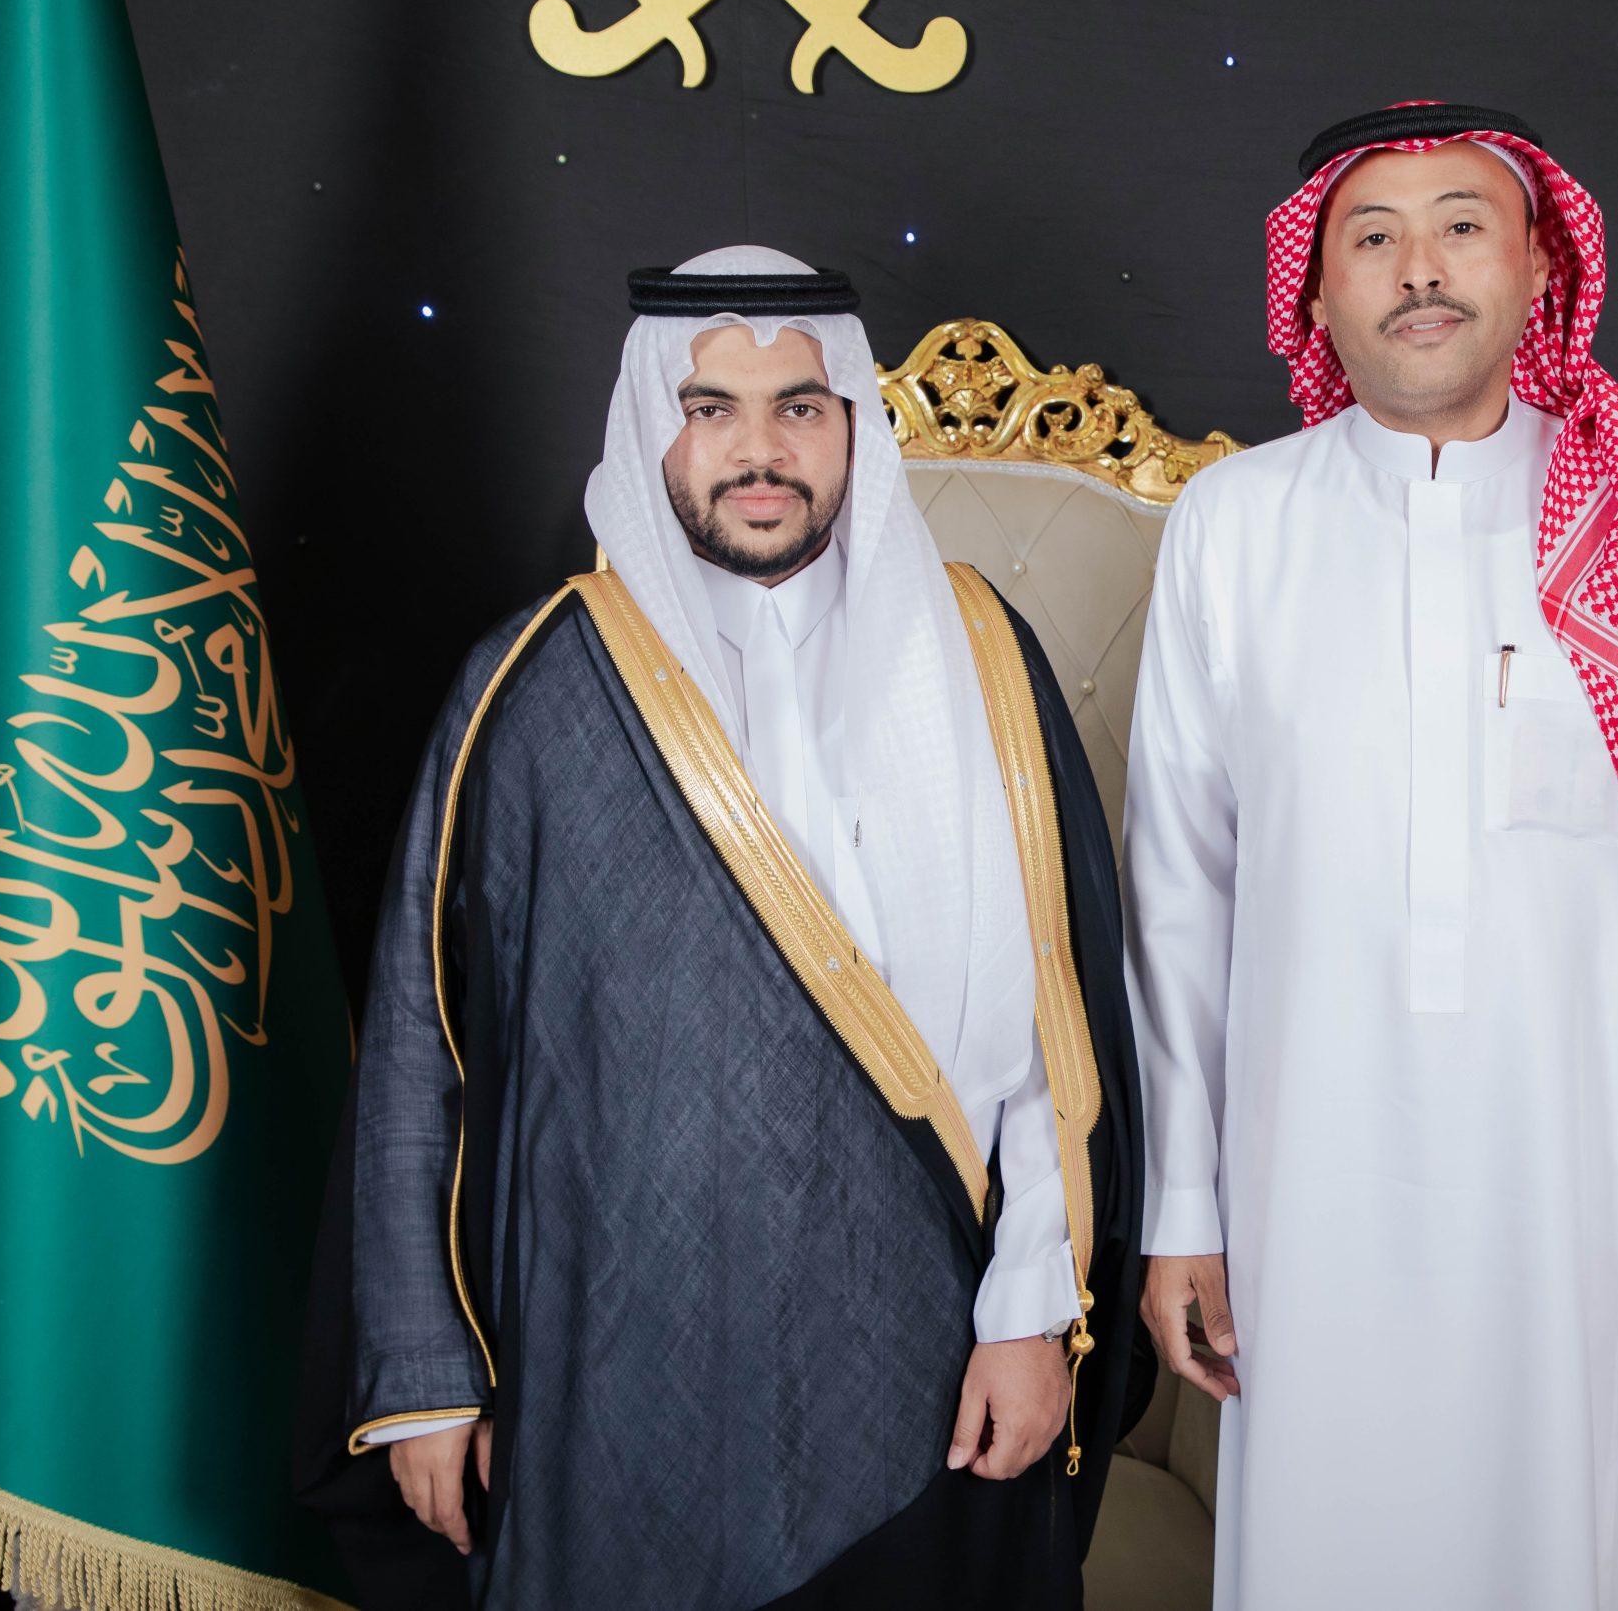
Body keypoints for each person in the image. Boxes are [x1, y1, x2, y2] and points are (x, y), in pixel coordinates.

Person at [295, 246, 1145, 1609]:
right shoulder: (533, 691)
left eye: (800, 407)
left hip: (941, 1351)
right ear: (655, 429)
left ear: (853, 424)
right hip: (616, 1367)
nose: (760, 452)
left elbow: (1056, 1035)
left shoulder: (980, 656)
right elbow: (418, 1044)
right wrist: (428, 1374)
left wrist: (1034, 1314)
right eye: (712, 410)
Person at [1122, 102, 1618, 1608]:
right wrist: (1183, 1213)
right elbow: (1180, 901)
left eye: (1461, 228)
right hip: (1308, 1196)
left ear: (1539, 265)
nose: (1418, 269)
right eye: (1373, 238)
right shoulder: (1234, 527)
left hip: (1595, 1207)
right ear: (1316, 290)